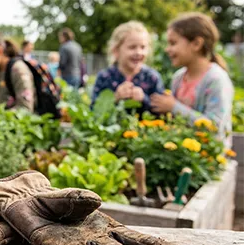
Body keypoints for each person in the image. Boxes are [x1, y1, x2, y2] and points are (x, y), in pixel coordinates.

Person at [150, 12, 234, 147]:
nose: (167, 49)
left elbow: (214, 127)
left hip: (211, 162)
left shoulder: (216, 79)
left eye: (173, 43)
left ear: (196, 44)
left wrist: (174, 107)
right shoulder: (178, 77)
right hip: (184, 155)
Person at [91, 21, 164, 115]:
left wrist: (144, 99)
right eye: (132, 47)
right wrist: (115, 98)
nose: (138, 52)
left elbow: (162, 113)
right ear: (116, 51)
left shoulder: (152, 77)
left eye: (143, 47)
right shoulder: (105, 77)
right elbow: (93, 111)